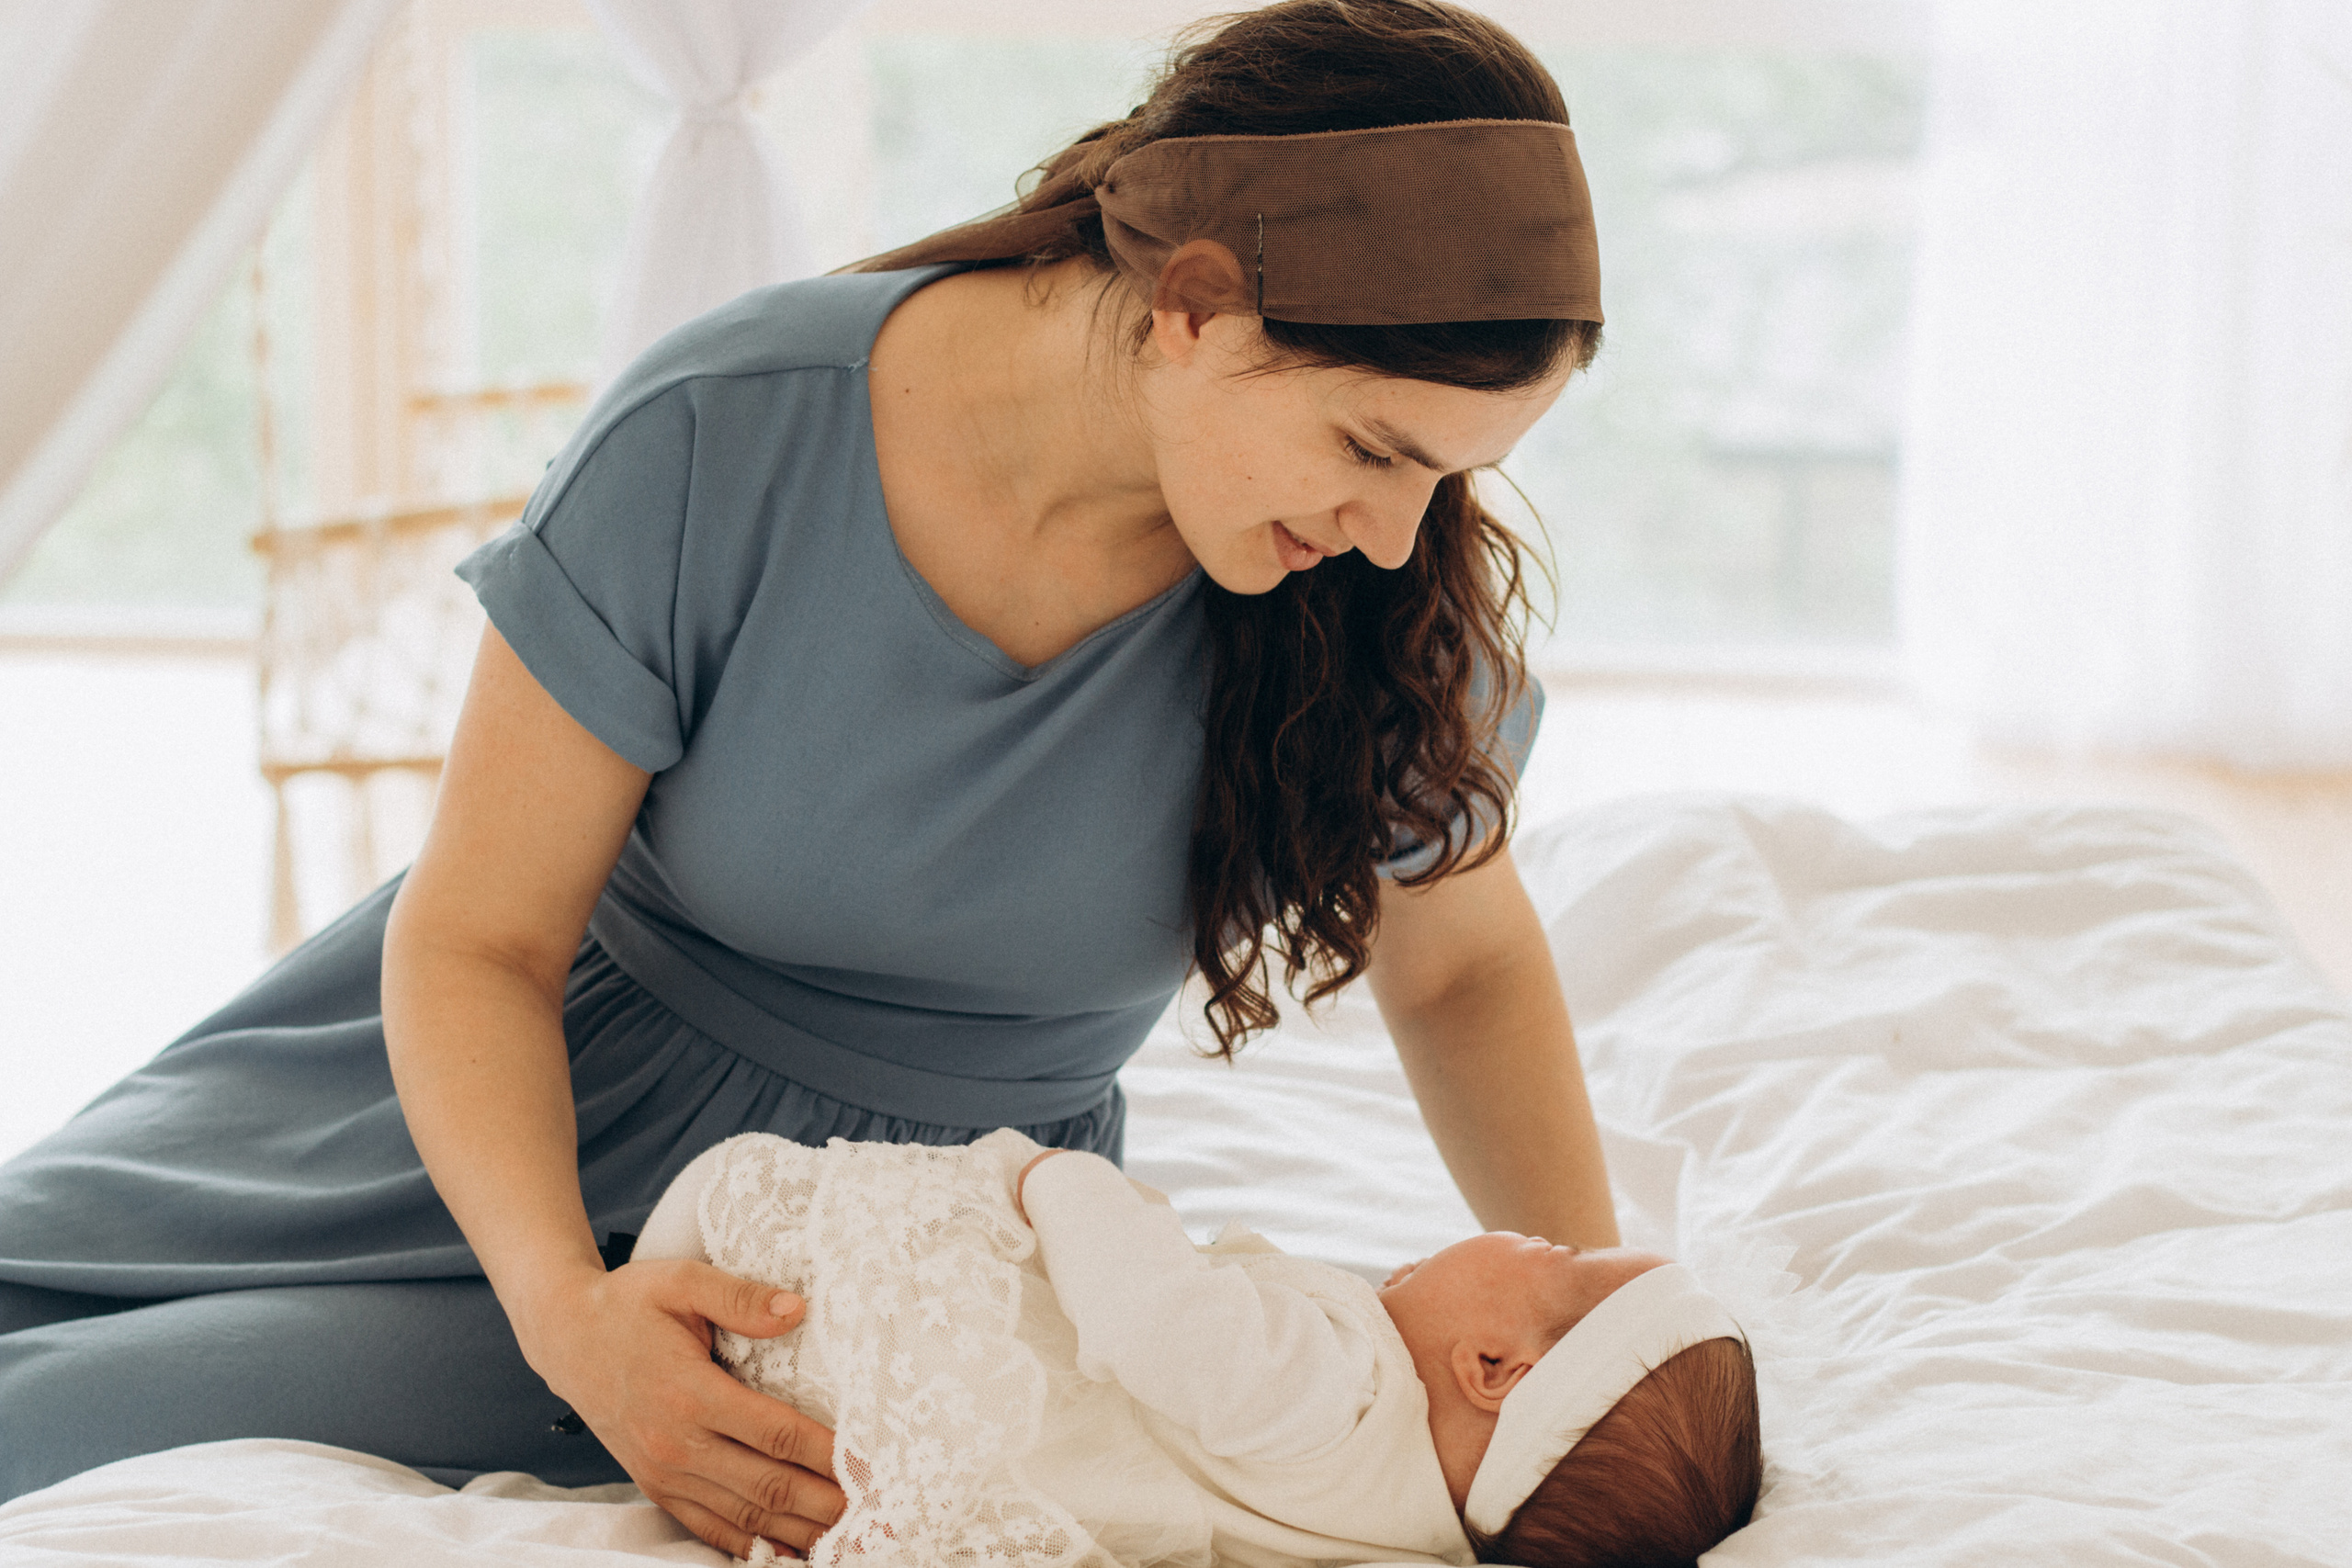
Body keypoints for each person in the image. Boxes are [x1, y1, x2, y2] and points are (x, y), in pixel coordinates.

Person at [0, 1, 1623, 1557]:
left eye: (1451, 471)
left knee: (100, 1419)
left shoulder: (1381, 611)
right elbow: (478, 938)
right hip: (479, 1113)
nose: (1403, 531)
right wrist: (571, 1322)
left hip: (885, 1256)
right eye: (1371, 449)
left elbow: (1464, 963)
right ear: (1195, 304)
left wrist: (1613, 1328)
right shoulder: (728, 435)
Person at [635, 1129, 1760, 1568]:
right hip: (872, 1470)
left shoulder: (1348, 1385)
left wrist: (1055, 1176)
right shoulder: (1401, 1541)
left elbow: (1149, 1319)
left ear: (1493, 1370)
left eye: (1552, 1248)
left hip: (839, 1323)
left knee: (743, 1185)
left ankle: (670, 1254)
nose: (1522, 1229)